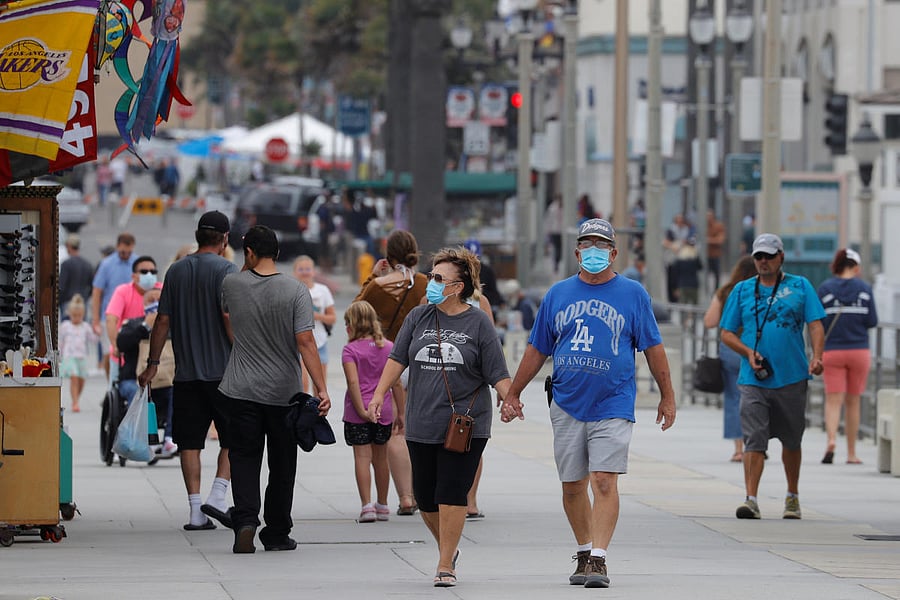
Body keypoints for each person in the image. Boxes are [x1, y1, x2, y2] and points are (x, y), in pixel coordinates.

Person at [499, 218, 676, 589]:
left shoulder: (633, 294)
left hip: (613, 401)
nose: (594, 252)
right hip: (567, 401)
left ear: (614, 253)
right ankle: (583, 549)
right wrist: (514, 392)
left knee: (604, 481)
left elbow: (653, 347)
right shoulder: (558, 294)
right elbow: (537, 348)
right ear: (577, 253)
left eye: (601, 246)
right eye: (587, 245)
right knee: (572, 485)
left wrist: (667, 395)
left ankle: (599, 557)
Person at [367, 247, 512, 587]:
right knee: (426, 496)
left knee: (451, 491)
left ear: (458, 287)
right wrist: (378, 393)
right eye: (431, 275)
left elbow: (497, 370)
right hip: (422, 420)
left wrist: (511, 399)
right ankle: (449, 546)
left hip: (465, 423)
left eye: (437, 278)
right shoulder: (418, 316)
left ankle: (445, 563)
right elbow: (397, 358)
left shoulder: (478, 321)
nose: (430, 282)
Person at [219, 225, 331, 554]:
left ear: (249, 253)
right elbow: (305, 341)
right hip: (284, 393)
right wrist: (321, 388)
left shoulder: (232, 283)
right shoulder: (296, 290)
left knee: (243, 456)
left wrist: (246, 261)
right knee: (282, 463)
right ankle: (277, 532)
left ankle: (245, 521)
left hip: (240, 389)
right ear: (278, 253)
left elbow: (230, 306)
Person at [139, 211, 238, 531]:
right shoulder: (227, 270)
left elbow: (162, 321)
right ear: (224, 239)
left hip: (186, 374)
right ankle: (218, 495)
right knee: (234, 438)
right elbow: (229, 317)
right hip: (224, 374)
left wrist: (152, 364)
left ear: (197, 236)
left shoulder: (176, 271)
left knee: (189, 443)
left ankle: (196, 511)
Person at [719, 233, 825, 520]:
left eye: (769, 256)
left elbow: (816, 325)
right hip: (753, 378)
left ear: (781, 257)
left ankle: (792, 496)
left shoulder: (800, 286)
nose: (763, 261)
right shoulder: (742, 290)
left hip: (792, 376)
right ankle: (751, 499)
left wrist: (817, 356)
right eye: (759, 257)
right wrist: (747, 352)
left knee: (792, 439)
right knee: (754, 439)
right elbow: (726, 333)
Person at [355, 229, 428, 516]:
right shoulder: (424, 283)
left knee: (397, 431)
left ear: (388, 256)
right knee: (420, 430)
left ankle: (406, 497)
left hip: (389, 363)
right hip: (419, 360)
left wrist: (372, 277)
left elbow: (356, 311)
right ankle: (423, 491)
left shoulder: (378, 286)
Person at [342, 301, 405, 523]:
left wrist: (361, 410)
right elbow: (396, 383)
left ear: (351, 325)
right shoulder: (388, 347)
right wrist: (401, 412)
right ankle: (383, 504)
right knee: (381, 458)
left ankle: (367, 506)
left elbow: (353, 382)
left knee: (362, 457)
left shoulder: (350, 350)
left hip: (357, 411)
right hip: (383, 411)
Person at [817, 248, 878, 465]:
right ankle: (851, 453)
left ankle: (831, 440)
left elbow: (818, 323)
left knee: (833, 400)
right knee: (853, 401)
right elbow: (872, 321)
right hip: (859, 350)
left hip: (832, 350)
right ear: (856, 267)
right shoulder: (865, 289)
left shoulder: (825, 289)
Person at [703, 256, 757, 462]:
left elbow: (709, 321)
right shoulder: (759, 290)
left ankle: (739, 448)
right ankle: (756, 444)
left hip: (730, 348)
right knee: (757, 396)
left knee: (734, 398)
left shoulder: (726, 291)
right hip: (755, 349)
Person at [105, 255, 158, 396]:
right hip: (126, 355)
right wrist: (115, 346)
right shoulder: (123, 291)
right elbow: (111, 319)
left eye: (153, 272)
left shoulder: (160, 291)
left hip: (157, 358)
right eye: (144, 272)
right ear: (134, 276)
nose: (149, 275)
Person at [91, 232, 137, 376]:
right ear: (117, 247)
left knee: (130, 353)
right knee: (109, 352)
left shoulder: (136, 263)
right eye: (123, 251)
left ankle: (126, 380)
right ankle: (110, 381)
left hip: (132, 316)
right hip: (110, 316)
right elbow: (97, 291)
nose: (126, 254)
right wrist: (95, 319)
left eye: (129, 252)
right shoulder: (107, 264)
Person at [292, 255, 336, 394]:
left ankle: (318, 408)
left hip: (320, 343)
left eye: (308, 269)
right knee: (302, 384)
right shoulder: (292, 290)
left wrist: (317, 316)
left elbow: (332, 317)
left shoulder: (323, 291)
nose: (305, 272)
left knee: (320, 387)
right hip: (299, 344)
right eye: (301, 269)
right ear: (294, 272)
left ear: (313, 271)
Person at [58, 294, 97, 413]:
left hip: (81, 356)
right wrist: (59, 355)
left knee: (81, 380)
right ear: (70, 314)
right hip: (69, 356)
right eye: (74, 315)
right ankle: (75, 402)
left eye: (79, 315)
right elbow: (60, 341)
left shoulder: (85, 327)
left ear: (83, 315)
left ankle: (76, 398)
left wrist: (96, 331)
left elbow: (93, 339)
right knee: (74, 377)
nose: (76, 318)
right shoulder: (65, 326)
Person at [59, 234, 94, 321]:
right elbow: (92, 286)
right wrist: (85, 297)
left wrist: (59, 301)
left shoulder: (66, 264)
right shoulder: (87, 264)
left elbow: (61, 286)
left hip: (67, 302)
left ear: (69, 246)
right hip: (82, 303)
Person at [672, 237, 702, 304]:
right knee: (695, 306)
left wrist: (675, 288)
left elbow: (675, 275)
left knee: (683, 306)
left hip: (682, 285)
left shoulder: (679, 260)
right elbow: (700, 267)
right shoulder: (695, 258)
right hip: (693, 285)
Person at [706, 210, 726, 291]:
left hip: (715, 254)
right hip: (705, 255)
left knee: (716, 274)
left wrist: (708, 240)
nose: (708, 218)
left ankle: (716, 290)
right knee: (704, 273)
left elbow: (720, 240)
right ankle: (706, 289)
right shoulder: (703, 226)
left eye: (709, 216)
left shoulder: (718, 226)